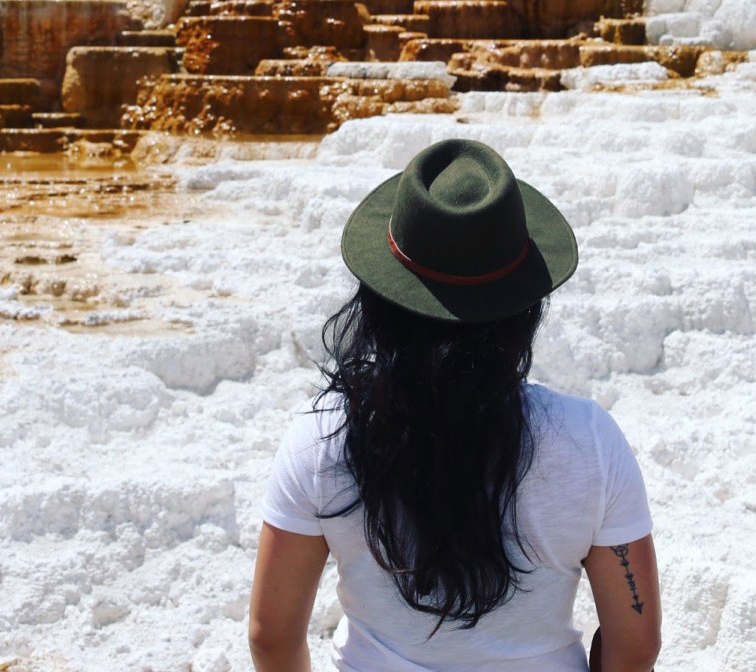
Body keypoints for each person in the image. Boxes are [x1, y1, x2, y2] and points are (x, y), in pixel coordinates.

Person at [250, 138, 661, 672]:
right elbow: (636, 646)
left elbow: (270, 637)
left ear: (379, 299)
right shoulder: (590, 441)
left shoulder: (323, 438)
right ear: (522, 309)